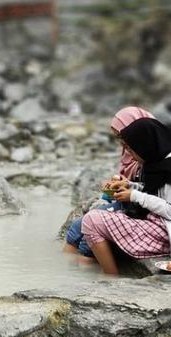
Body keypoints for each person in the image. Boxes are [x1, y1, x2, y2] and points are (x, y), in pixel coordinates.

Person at [81, 118, 171, 274]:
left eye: (131, 149)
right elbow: (161, 191)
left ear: (144, 145)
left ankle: (110, 278)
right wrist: (130, 186)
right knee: (98, 224)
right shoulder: (164, 158)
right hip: (167, 225)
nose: (130, 155)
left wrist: (135, 196)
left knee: (91, 220)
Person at [63, 106, 155, 261]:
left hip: (141, 211)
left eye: (122, 135)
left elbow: (150, 190)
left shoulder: (149, 153)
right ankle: (68, 272)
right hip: (129, 203)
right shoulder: (130, 151)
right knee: (75, 229)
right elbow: (132, 183)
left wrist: (127, 188)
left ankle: (98, 279)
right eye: (118, 137)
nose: (121, 142)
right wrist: (117, 185)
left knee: (87, 238)